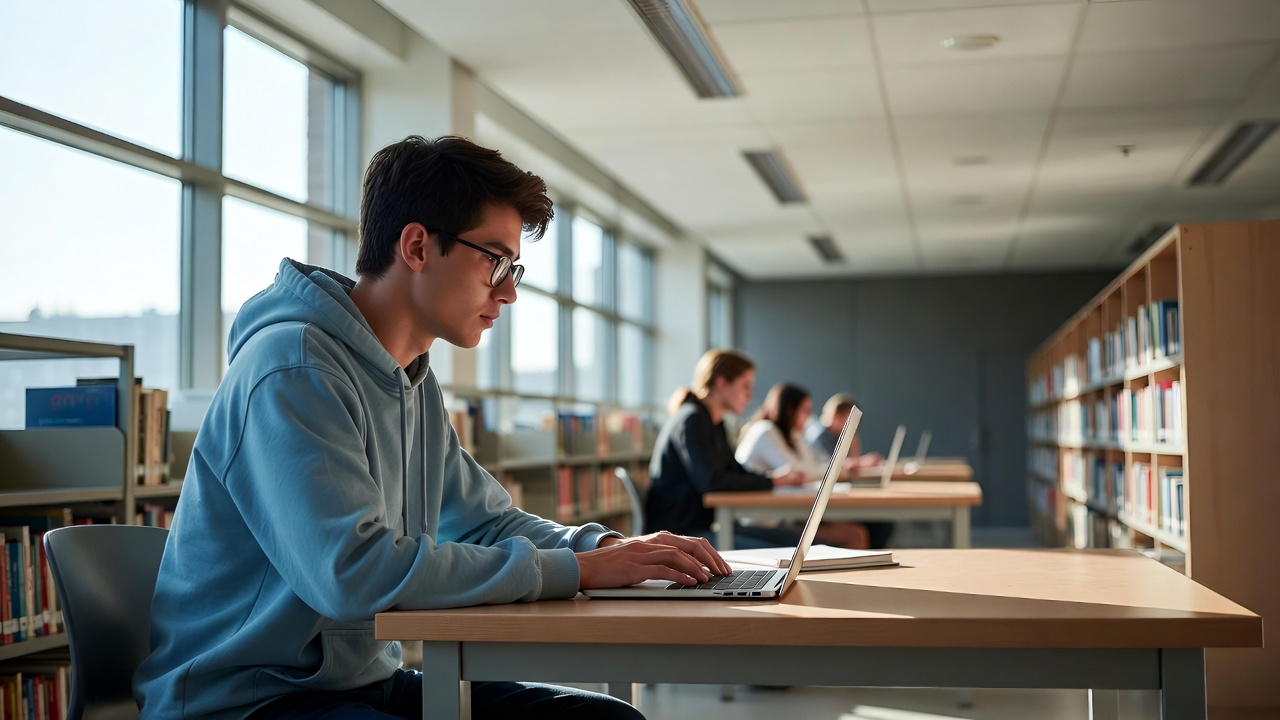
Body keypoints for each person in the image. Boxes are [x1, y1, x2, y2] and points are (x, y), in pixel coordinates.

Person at [133, 135, 729, 720]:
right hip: (246, 699)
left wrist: (602, 548)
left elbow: (485, 518)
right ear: (417, 246)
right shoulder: (292, 369)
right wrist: (575, 572)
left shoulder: (409, 378)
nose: (510, 292)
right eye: (495, 260)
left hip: (363, 683)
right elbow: (354, 575)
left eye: (514, 267)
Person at [645, 348, 823, 550]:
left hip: (708, 527)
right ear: (722, 383)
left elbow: (734, 470)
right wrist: (772, 481)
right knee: (797, 551)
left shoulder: (714, 422)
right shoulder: (691, 420)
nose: (750, 395)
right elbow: (711, 481)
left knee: (803, 544)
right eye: (745, 386)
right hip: (683, 534)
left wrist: (774, 479)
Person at [735, 383, 869, 550]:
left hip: (783, 516)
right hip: (759, 522)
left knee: (857, 532)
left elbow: (811, 466)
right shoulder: (764, 431)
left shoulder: (793, 435)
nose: (808, 416)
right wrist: (839, 471)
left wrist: (840, 469)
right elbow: (799, 471)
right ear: (789, 409)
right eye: (804, 410)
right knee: (854, 536)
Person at [803, 393, 893, 549]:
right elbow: (831, 468)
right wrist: (859, 462)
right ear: (835, 414)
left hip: (835, 496)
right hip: (820, 503)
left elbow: (852, 462)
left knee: (883, 522)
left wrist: (852, 439)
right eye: (847, 418)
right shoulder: (818, 436)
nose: (851, 424)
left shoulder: (836, 434)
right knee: (879, 525)